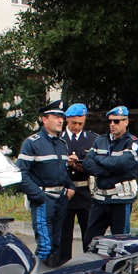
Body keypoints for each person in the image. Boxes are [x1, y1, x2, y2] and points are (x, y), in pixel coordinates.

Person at [17, 100, 75, 267]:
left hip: (61, 199)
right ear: (44, 119)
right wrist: (39, 196)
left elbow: (62, 172)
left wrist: (70, 188)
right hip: (43, 200)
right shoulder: (32, 143)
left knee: (56, 244)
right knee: (45, 246)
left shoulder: (62, 144)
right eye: (56, 116)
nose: (60, 121)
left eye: (61, 117)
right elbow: (21, 173)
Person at [83, 106, 138, 239]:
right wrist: (110, 170)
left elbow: (122, 164)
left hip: (120, 199)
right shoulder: (100, 140)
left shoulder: (132, 142)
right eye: (110, 122)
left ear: (126, 122)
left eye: (116, 121)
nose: (112, 124)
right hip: (100, 199)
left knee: (120, 240)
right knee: (90, 239)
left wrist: (99, 159)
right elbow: (87, 164)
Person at [60, 102, 96, 260]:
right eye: (74, 123)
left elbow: (97, 164)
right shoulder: (58, 139)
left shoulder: (93, 139)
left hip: (85, 193)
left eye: (81, 123)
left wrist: (84, 167)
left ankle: (89, 268)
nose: (77, 126)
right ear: (67, 119)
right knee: (64, 237)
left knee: (89, 236)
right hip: (65, 192)